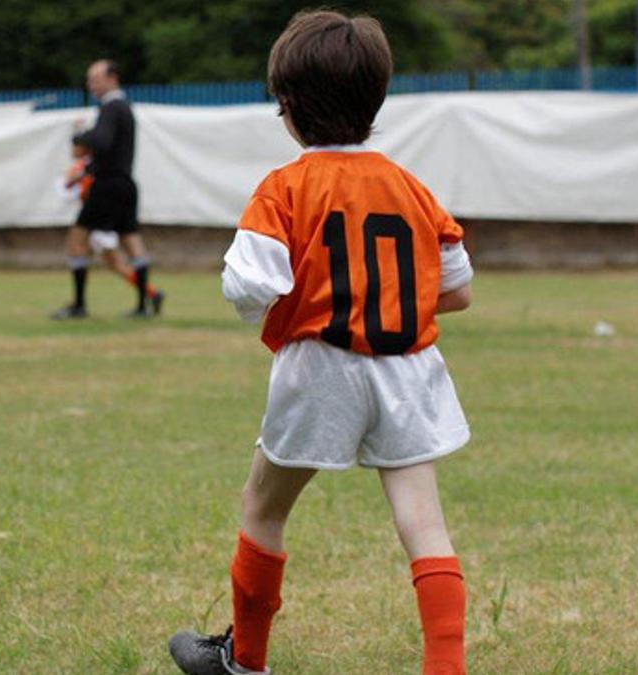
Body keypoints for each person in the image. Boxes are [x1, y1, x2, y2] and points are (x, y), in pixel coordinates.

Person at [168, 10, 474, 675]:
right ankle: (445, 668)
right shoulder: (411, 187)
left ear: (286, 105)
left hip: (321, 368)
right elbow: (458, 286)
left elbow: (248, 285)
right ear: (377, 98)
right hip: (408, 369)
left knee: (264, 506)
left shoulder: (283, 188)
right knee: (423, 523)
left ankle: (244, 661)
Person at [51, 59, 164, 319]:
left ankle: (79, 305)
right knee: (132, 243)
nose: (90, 85)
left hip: (107, 186)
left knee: (77, 240)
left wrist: (79, 136)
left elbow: (101, 142)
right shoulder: (125, 108)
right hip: (125, 184)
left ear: (113, 78)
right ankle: (143, 304)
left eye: (95, 79)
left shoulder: (112, 107)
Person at [61, 138, 163, 306]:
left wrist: (74, 182)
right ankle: (151, 294)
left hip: (99, 220)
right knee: (114, 263)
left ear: (83, 148)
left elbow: (79, 191)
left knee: (110, 260)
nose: (72, 151)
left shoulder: (89, 167)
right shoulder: (92, 164)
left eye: (75, 146)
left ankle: (151, 294)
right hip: (99, 219)